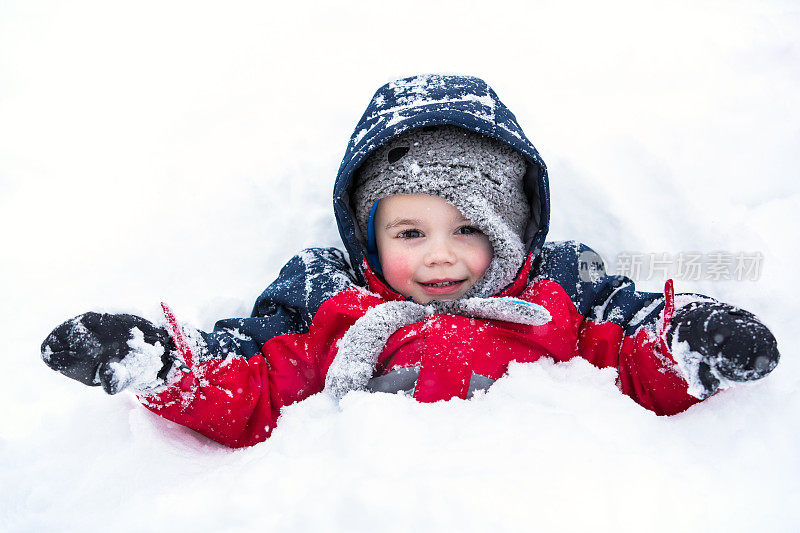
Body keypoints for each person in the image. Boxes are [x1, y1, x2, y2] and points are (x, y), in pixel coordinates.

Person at [41, 74, 780, 448]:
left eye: (468, 229)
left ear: (513, 231)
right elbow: (255, 385)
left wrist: (690, 341)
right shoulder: (328, 298)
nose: (440, 256)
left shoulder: (559, 287)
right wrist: (167, 366)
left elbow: (628, 350)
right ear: (368, 234)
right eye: (409, 232)